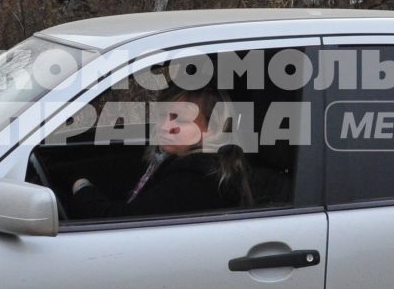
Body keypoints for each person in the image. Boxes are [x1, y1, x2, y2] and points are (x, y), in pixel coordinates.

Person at [67, 88, 254, 218]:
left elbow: (116, 222)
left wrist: (81, 187)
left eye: (180, 121)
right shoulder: (173, 161)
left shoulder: (194, 181)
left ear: (212, 128)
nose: (165, 127)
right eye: (163, 116)